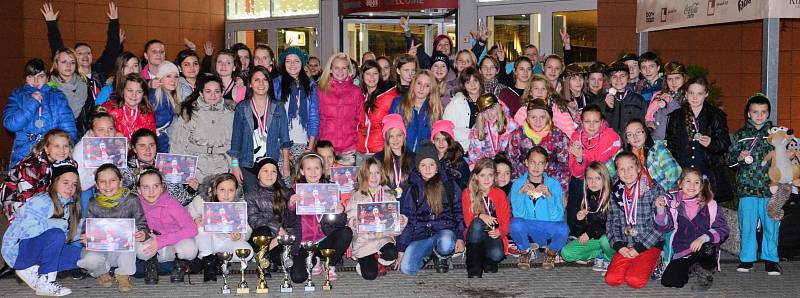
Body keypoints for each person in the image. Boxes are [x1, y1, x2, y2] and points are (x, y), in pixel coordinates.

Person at [1, 162, 82, 297]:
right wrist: (56, 225)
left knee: (82, 256)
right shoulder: (43, 201)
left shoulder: (67, 204)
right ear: (54, 183)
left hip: (35, 251)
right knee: (56, 235)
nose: (70, 188)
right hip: (17, 253)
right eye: (65, 183)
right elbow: (24, 231)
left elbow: (64, 235)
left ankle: (32, 270)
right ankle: (45, 281)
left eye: (74, 184)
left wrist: (88, 234)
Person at [724, 93, 782, 275]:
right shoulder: (741, 135)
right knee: (747, 225)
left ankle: (771, 259)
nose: (759, 115)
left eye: (763, 112)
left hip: (770, 189)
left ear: (768, 114)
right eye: (755, 112)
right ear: (748, 113)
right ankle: (747, 258)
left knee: (771, 226)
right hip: (747, 189)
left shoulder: (776, 135)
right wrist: (739, 158)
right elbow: (729, 161)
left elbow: (785, 160)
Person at [397, 141, 465, 275]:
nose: (428, 169)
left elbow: (458, 212)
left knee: (446, 242)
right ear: (418, 167)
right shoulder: (414, 188)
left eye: (431, 165)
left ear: (437, 166)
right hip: (421, 235)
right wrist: (401, 249)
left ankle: (441, 254)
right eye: (423, 165)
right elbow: (409, 220)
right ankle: (429, 254)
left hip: (444, 230)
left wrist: (460, 237)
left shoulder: (449, 185)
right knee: (407, 269)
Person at [77, 164, 148, 293]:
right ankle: (101, 273)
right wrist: (85, 237)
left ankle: (123, 274)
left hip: (125, 251)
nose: (108, 185)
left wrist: (143, 233)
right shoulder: (93, 203)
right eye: (102, 182)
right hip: (103, 248)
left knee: (133, 231)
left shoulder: (132, 200)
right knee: (89, 260)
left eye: (112, 180)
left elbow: (142, 222)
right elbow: (87, 225)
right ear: (97, 185)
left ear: (120, 182)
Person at [656, 168, 729, 291]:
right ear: (680, 183)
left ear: (701, 185)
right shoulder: (672, 203)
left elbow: (723, 229)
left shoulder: (710, 204)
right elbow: (663, 227)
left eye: (696, 182)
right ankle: (692, 267)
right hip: (683, 249)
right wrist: (660, 210)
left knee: (708, 248)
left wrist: (703, 238)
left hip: (703, 247)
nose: (692, 186)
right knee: (669, 281)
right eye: (688, 181)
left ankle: (706, 267)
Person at [604, 151, 666, 289]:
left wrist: (640, 248)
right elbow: (611, 223)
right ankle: (635, 262)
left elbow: (660, 226)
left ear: (638, 168)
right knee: (612, 279)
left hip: (650, 243)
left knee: (634, 281)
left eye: (630, 167)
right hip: (626, 244)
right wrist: (619, 246)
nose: (626, 172)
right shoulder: (615, 192)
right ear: (617, 172)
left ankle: (658, 259)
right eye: (622, 169)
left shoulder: (653, 190)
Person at [287, 153, 353, 283]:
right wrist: (291, 206)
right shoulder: (294, 191)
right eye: (308, 168)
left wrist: (339, 211)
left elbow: (340, 223)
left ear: (322, 170)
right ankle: (315, 260)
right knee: (298, 277)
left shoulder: (330, 189)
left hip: (324, 238)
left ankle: (330, 264)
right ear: (301, 171)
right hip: (304, 243)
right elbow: (288, 222)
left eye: (316, 168)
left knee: (346, 232)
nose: (313, 172)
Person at [665, 76, 733, 202]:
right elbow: (670, 145)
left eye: (699, 94)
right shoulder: (676, 116)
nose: (695, 97)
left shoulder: (716, 115)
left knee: (707, 213)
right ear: (685, 94)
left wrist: (711, 143)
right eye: (691, 93)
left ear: (706, 94)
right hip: (683, 173)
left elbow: (725, 144)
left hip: (707, 173)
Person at [4, 58, 77, 169]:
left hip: (52, 154)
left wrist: (63, 149)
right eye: (31, 76)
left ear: (47, 78)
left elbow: (69, 129)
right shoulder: (17, 95)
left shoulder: (57, 96)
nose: (36, 81)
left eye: (40, 76)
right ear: (25, 79)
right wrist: (32, 103)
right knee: (24, 184)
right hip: (23, 155)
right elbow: (10, 124)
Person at [230, 66, 291, 189]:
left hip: (271, 164)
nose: (261, 83)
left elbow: (285, 139)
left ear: (269, 83)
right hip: (247, 164)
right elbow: (236, 141)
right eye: (257, 80)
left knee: (275, 200)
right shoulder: (242, 108)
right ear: (250, 84)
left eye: (265, 79)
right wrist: (235, 166)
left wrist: (286, 165)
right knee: (252, 200)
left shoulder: (278, 107)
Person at [346, 157, 408, 280]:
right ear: (363, 175)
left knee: (391, 253)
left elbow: (395, 226)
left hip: (384, 238)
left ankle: (379, 258)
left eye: (377, 173)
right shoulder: (356, 197)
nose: (374, 177)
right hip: (364, 241)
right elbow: (349, 219)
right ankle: (368, 260)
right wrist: (355, 222)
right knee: (369, 275)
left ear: (382, 174)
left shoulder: (389, 195)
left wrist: (400, 221)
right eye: (370, 173)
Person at [508, 146, 568, 270]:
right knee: (515, 224)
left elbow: (558, 216)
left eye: (541, 163)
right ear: (526, 163)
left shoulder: (554, 184)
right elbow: (518, 214)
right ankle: (525, 251)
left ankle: (551, 252)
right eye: (532, 162)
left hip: (547, 227)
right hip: (528, 226)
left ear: (546, 165)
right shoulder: (518, 183)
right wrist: (520, 194)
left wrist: (549, 196)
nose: (536, 167)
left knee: (563, 228)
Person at [42, 1, 121, 95]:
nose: (85, 56)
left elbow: (112, 50)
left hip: (101, 109)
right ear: (74, 58)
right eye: (80, 53)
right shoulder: (70, 75)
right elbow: (58, 50)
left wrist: (114, 22)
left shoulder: (100, 71)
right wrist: (51, 24)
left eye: (88, 53)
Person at [186, 173, 253, 282]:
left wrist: (240, 235)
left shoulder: (239, 205)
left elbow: (247, 228)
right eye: (222, 190)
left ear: (236, 191)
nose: (226, 194)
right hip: (209, 241)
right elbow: (188, 214)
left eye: (231, 190)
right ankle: (207, 258)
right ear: (214, 190)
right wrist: (195, 220)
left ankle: (216, 259)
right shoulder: (201, 200)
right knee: (201, 228)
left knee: (248, 253)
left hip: (228, 241)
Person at [136, 168, 199, 284]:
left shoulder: (171, 203)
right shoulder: (135, 204)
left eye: (156, 186)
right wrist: (141, 235)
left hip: (175, 241)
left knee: (191, 249)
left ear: (162, 188)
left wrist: (162, 241)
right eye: (146, 187)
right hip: (153, 242)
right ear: (139, 190)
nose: (151, 191)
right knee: (141, 250)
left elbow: (192, 229)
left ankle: (180, 263)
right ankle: (151, 263)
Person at [171, 75, 235, 188]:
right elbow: (178, 143)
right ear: (201, 93)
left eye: (217, 91)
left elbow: (235, 145)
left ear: (222, 92)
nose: (213, 95)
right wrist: (181, 173)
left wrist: (234, 167)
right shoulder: (189, 112)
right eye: (208, 91)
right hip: (195, 168)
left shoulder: (230, 114)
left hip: (222, 167)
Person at [567, 105, 621, 236]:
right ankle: (575, 232)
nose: (591, 125)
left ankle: (604, 232)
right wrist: (579, 158)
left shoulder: (612, 136)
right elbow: (576, 172)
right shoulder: (575, 138)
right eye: (587, 121)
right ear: (581, 122)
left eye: (596, 121)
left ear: (602, 122)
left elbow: (618, 162)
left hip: (605, 176)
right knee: (576, 186)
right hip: (583, 177)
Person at [2, 130, 76, 221]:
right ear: (46, 148)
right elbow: (25, 195)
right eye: (56, 146)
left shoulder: (66, 162)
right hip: (16, 197)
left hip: (43, 193)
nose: (62, 150)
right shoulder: (32, 166)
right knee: (33, 223)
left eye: (65, 146)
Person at [244, 157, 297, 278]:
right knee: (263, 230)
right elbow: (253, 219)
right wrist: (278, 229)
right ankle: (262, 259)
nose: (270, 174)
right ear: (258, 174)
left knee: (282, 259)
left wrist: (293, 203)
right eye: (265, 171)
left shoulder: (285, 192)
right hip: (262, 236)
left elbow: (292, 218)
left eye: (273, 171)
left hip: (281, 237)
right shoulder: (251, 194)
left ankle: (268, 258)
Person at [560, 162, 615, 271]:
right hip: (594, 239)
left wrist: (589, 234)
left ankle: (609, 257)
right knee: (566, 254)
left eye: (598, 178)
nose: (593, 182)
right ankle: (598, 253)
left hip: (608, 237)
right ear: (585, 181)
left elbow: (607, 224)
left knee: (605, 240)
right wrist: (579, 221)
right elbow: (578, 232)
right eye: (590, 178)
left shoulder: (612, 197)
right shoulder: (585, 197)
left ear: (605, 179)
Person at [122, 129, 197, 206]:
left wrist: (191, 190)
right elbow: (121, 197)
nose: (148, 149)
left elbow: (179, 201)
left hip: (165, 214)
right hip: (140, 215)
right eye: (142, 146)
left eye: (151, 145)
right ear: (134, 149)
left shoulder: (168, 165)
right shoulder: (126, 169)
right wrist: (135, 173)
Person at [462, 158, 510, 278]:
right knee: (477, 223)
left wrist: (500, 232)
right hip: (475, 233)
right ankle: (474, 267)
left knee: (497, 254)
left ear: (494, 176)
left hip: (492, 233)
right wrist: (480, 215)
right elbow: (468, 222)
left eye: (490, 175)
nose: (487, 179)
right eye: (482, 175)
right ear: (476, 176)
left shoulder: (500, 194)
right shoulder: (468, 193)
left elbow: (505, 221)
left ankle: (488, 260)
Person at [508, 99, 571, 191]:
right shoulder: (517, 135)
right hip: (525, 184)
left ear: (548, 118)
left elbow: (564, 164)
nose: (538, 121)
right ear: (528, 118)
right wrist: (520, 186)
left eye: (542, 117)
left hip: (550, 185)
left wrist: (561, 190)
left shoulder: (557, 135)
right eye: (533, 117)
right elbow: (512, 162)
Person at [606, 119, 682, 192]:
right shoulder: (621, 155)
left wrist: (656, 192)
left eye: (638, 132)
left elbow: (675, 174)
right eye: (630, 135)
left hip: (657, 196)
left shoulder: (658, 150)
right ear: (627, 140)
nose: (635, 137)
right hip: (629, 197)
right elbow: (605, 172)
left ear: (645, 133)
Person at [317, 52, 365, 166]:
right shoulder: (321, 89)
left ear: (349, 70)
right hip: (326, 148)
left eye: (344, 68)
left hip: (349, 149)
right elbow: (316, 117)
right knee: (326, 183)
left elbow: (360, 119)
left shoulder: (356, 91)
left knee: (346, 183)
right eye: (336, 68)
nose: (340, 71)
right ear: (330, 69)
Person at [274, 47, 320, 163]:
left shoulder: (311, 86)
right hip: (281, 145)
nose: (292, 64)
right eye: (288, 61)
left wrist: (310, 148)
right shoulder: (276, 84)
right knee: (284, 179)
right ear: (284, 63)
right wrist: (279, 147)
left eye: (296, 61)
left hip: (304, 144)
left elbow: (314, 118)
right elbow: (272, 118)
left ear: (302, 63)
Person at [390, 70, 443, 152]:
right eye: (419, 83)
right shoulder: (398, 103)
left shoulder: (435, 109)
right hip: (400, 155)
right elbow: (389, 132)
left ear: (431, 89)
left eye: (427, 86)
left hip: (423, 158)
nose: (422, 88)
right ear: (413, 83)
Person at [48, 48, 95, 138]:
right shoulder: (49, 88)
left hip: (81, 137)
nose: (68, 65)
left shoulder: (84, 86)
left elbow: (91, 116)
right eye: (64, 62)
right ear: (56, 64)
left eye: (72, 62)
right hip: (55, 137)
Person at [357, 60, 398, 158]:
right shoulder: (361, 96)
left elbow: (394, 124)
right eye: (368, 73)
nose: (372, 77)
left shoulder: (390, 96)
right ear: (362, 76)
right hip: (361, 151)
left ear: (379, 75)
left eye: (375, 73)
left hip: (381, 151)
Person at [101, 73, 156, 141]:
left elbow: (150, 141)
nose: (134, 95)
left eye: (139, 92)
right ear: (122, 90)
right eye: (130, 90)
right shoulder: (108, 109)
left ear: (144, 94)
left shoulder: (148, 114)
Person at [74, 112, 121, 191]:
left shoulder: (118, 143)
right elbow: (80, 184)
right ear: (92, 133)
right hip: (90, 188)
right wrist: (96, 174)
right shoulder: (80, 149)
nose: (107, 133)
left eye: (110, 129)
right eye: (101, 130)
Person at [467, 93, 517, 167]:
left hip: (507, 167)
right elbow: (474, 157)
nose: (489, 115)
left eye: (492, 109)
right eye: (484, 111)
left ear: (498, 108)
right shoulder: (477, 129)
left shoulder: (511, 125)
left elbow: (516, 152)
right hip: (487, 168)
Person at [374, 114, 416, 198]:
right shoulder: (377, 158)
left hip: (409, 206)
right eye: (391, 136)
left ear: (404, 136)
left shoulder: (414, 158)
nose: (395, 139)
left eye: (399, 135)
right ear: (386, 138)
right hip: (386, 204)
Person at [443, 67, 485, 150]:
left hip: (485, 149)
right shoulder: (456, 102)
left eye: (475, 81)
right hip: (462, 150)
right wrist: (468, 134)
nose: (472, 85)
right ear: (464, 86)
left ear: (480, 81)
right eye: (468, 82)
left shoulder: (488, 99)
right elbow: (446, 128)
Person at [602, 61, 646, 136]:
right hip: (609, 143)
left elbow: (643, 125)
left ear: (628, 77)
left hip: (631, 142)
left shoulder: (638, 100)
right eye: (614, 77)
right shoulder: (602, 100)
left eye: (622, 76)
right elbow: (601, 126)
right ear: (609, 80)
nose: (618, 80)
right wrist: (608, 108)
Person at [646, 62, 687, 140]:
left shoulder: (688, 97)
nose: (673, 82)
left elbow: (682, 119)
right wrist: (649, 123)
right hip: (656, 141)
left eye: (677, 78)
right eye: (670, 79)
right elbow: (648, 116)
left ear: (684, 78)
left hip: (676, 143)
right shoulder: (658, 95)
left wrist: (670, 103)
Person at [149, 61, 183, 152]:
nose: (173, 80)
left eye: (176, 76)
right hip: (154, 145)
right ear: (159, 79)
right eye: (168, 76)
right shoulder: (156, 97)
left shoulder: (171, 97)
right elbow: (158, 126)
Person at [431, 120, 471, 190]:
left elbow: (464, 186)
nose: (441, 143)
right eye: (437, 139)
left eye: (445, 139)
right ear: (433, 141)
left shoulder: (459, 162)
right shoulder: (429, 159)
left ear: (450, 140)